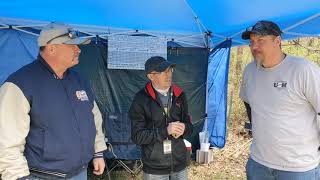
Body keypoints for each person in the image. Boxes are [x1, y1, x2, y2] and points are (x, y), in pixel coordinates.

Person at [0, 23, 107, 180]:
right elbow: (6, 139)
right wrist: (17, 177)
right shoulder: (20, 84)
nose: (78, 50)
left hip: (80, 172)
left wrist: (98, 152)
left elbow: (93, 117)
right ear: (51, 48)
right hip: (41, 175)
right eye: (72, 46)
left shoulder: (79, 80)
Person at [240, 20, 320, 180]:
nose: (254, 47)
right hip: (258, 163)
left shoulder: (303, 70)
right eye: (252, 42)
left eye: (260, 41)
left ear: (277, 41)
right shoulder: (250, 71)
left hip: (298, 167)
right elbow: (248, 103)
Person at [129, 56, 193, 180]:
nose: (168, 75)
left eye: (170, 71)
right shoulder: (141, 99)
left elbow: (190, 127)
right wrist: (165, 131)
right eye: (163, 72)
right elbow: (137, 136)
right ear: (151, 76)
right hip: (155, 168)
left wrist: (185, 128)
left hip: (180, 164)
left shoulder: (180, 94)